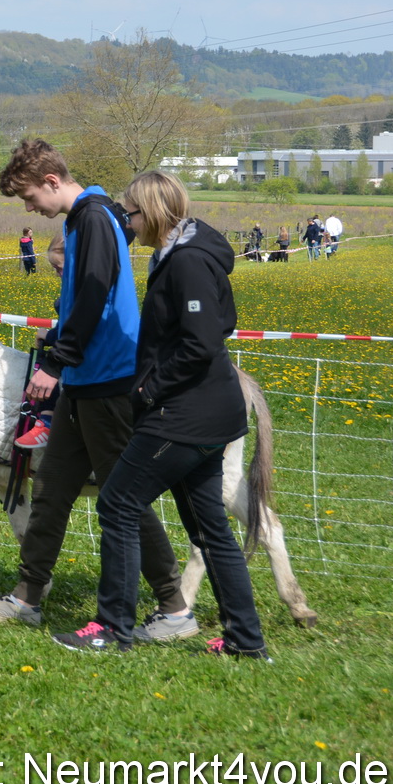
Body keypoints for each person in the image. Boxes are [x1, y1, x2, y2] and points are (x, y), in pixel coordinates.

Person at [0, 139, 189, 636]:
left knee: (121, 497)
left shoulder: (91, 217)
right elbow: (83, 296)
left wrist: (57, 362)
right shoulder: (90, 216)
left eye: (28, 198)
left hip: (106, 380)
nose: (29, 209)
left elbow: (94, 291)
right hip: (86, 381)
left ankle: (174, 606)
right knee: (52, 488)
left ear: (51, 181)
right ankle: (26, 598)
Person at [53, 171, 271, 659]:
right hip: (212, 413)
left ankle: (112, 628)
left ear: (150, 212)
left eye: (129, 213)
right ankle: (245, 640)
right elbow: (224, 321)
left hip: (185, 417)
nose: (126, 223)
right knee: (209, 527)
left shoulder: (187, 262)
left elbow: (201, 342)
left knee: (117, 505)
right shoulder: (184, 254)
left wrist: (149, 388)